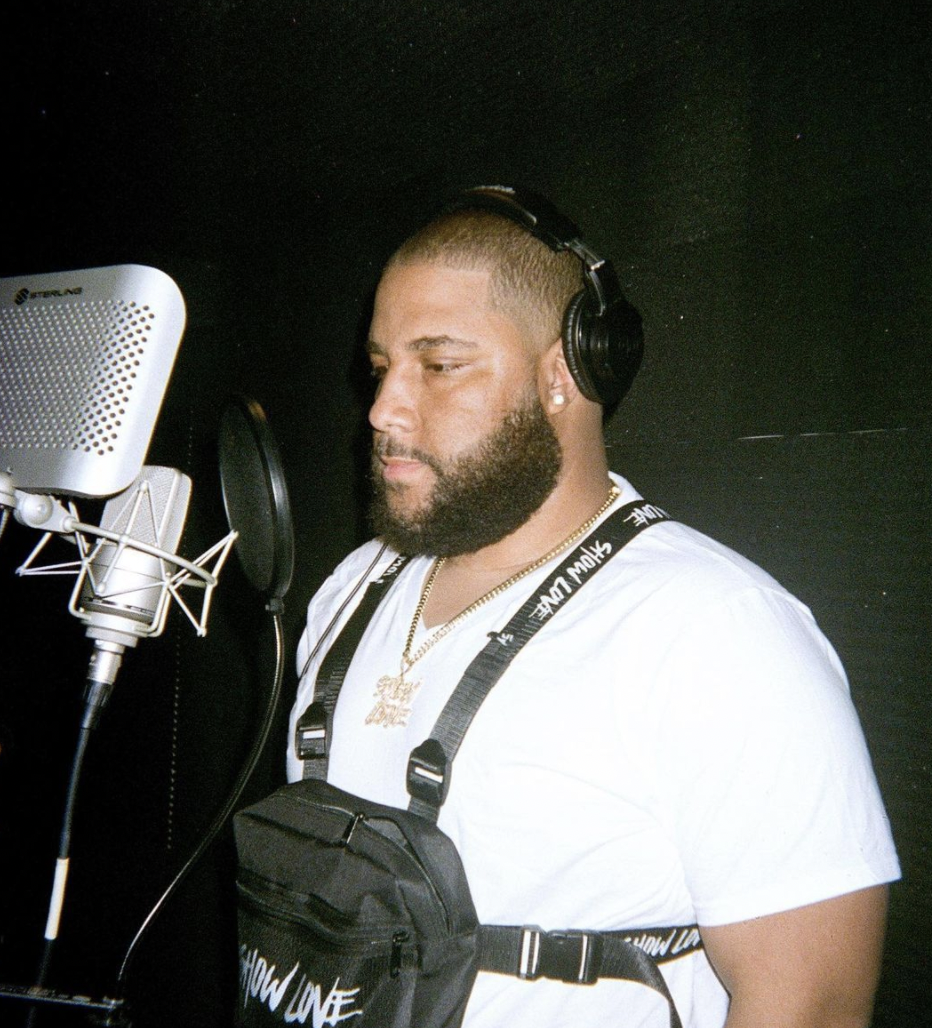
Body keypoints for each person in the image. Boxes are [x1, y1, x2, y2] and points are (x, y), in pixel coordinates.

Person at [286, 188, 900, 1028]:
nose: (383, 409)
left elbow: (814, 1006)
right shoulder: (353, 587)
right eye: (382, 366)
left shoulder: (716, 631)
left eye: (439, 365)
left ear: (564, 372)